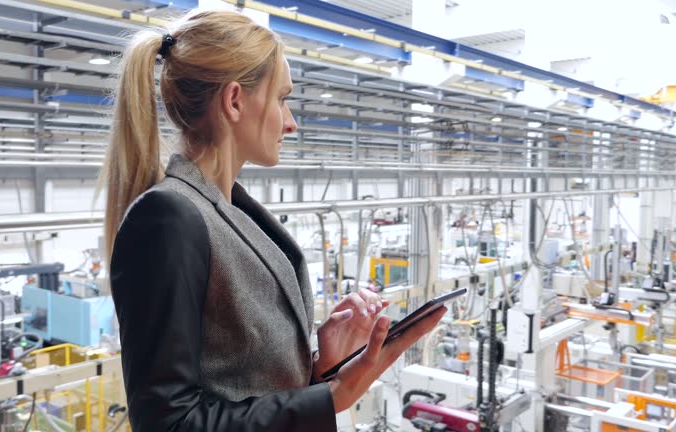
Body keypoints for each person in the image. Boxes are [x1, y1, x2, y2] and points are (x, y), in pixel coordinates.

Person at [100, 9, 446, 431]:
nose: (291, 122)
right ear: (233, 101)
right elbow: (168, 422)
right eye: (282, 98)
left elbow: (245, 385)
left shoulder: (233, 214)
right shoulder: (169, 218)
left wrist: (320, 368)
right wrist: (331, 398)